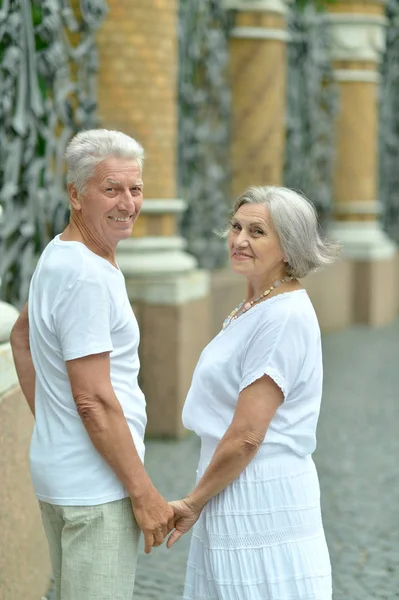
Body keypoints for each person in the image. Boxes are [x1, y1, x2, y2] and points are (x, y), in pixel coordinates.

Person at [10, 129, 174, 600]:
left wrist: (55, 423)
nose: (128, 203)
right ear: (75, 195)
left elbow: (22, 338)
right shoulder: (85, 275)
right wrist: (144, 495)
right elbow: (93, 400)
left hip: (67, 473)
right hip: (96, 489)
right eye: (111, 189)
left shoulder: (60, 254)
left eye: (135, 189)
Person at [166, 186, 338, 600]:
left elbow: (247, 435)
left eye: (257, 231)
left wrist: (193, 503)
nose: (239, 239)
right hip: (232, 483)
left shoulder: (282, 316)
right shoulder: (257, 306)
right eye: (236, 226)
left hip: (258, 492)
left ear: (287, 246)